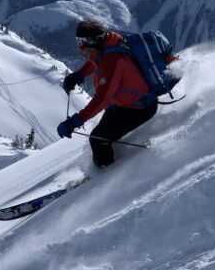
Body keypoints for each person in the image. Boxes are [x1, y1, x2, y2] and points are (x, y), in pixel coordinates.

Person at [57, 20, 158, 168]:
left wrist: (75, 122)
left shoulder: (112, 60)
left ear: (91, 42)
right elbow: (95, 62)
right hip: (127, 105)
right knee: (102, 136)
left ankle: (107, 175)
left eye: (80, 42)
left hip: (138, 109)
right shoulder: (108, 46)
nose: (79, 47)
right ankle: (108, 165)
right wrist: (79, 75)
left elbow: (102, 98)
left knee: (97, 139)